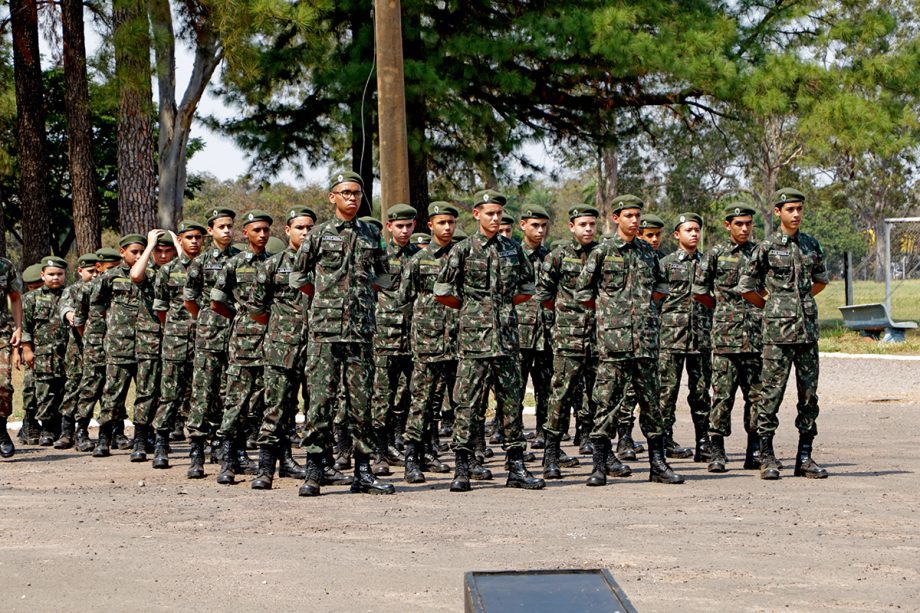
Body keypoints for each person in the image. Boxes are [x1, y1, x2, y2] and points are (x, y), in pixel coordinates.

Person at [291, 171, 394, 496]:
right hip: (324, 332)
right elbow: (298, 277)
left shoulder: (371, 233)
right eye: (346, 192)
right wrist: (326, 299)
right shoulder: (319, 234)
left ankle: (363, 471)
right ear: (332, 197)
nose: (352, 198)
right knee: (320, 402)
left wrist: (361, 298)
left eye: (357, 193)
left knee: (361, 403)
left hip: (360, 332)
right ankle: (314, 470)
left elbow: (385, 276)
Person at [434, 190, 544, 492]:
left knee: (511, 402)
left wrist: (504, 306)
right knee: (468, 404)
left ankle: (516, 467)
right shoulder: (464, 250)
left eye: (498, 214)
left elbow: (527, 287)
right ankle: (463, 467)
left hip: (507, 337)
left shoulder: (512, 249)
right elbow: (442, 290)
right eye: (490, 213)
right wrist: (472, 310)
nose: (495, 219)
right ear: (477, 214)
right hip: (474, 341)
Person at [575, 194, 683, 485]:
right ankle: (599, 465)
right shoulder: (603, 251)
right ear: (616, 218)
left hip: (646, 342)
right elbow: (583, 292)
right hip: (613, 344)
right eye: (629, 216)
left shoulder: (648, 252)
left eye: (637, 216)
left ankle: (657, 464)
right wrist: (608, 315)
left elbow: (661, 286)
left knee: (651, 404)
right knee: (606, 402)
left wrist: (646, 309)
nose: (634, 221)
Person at [738, 188, 829, 480]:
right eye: (790, 209)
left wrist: (798, 300)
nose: (797, 214)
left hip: (807, 334)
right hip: (777, 335)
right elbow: (746, 286)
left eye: (800, 209)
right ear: (778, 212)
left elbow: (820, 280)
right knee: (770, 395)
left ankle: (804, 457)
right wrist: (772, 306)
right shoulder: (765, 247)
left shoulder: (811, 244)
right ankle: (767, 456)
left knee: (809, 397)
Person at [538, 206, 629, 480]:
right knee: (561, 395)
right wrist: (564, 320)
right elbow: (544, 293)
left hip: (602, 337)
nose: (588, 229)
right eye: (582, 224)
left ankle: (604, 452)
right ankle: (551, 454)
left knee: (603, 397)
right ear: (571, 227)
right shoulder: (559, 256)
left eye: (592, 224)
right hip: (569, 337)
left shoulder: (608, 254)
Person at [248, 207, 321, 490]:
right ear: (287, 231)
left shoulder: (324, 265)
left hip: (318, 349)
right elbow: (256, 307)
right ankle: (265, 469)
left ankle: (317, 469)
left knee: (317, 411)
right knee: (276, 409)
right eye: (300, 228)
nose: (305, 233)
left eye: (310, 228)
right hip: (282, 348)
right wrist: (281, 327)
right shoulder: (273, 265)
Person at [693, 204, 764, 472]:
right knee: (722, 396)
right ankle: (717, 452)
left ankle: (754, 451)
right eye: (738, 224)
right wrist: (723, 308)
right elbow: (699, 291)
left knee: (756, 396)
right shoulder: (715, 254)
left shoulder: (760, 253)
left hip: (756, 337)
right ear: (727, 225)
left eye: (748, 224)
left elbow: (768, 286)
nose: (744, 229)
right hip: (724, 337)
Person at [398, 201, 460, 483]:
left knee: (453, 402)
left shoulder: (463, 256)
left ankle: (446, 455)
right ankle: (412, 458)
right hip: (427, 341)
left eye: (451, 223)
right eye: (441, 223)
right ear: (430, 226)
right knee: (421, 401)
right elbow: (404, 298)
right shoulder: (418, 260)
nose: (447, 228)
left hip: (459, 341)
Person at [212, 210, 274, 485]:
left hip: (273, 342)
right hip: (243, 345)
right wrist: (242, 317)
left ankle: (261, 462)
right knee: (235, 402)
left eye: (266, 230)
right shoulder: (234, 264)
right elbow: (216, 302)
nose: (262, 235)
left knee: (265, 403)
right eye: (256, 230)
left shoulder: (277, 262)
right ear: (245, 233)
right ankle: (227, 461)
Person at [184, 209, 240, 469]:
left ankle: (225, 447)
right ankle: (197, 451)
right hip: (208, 335)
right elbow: (189, 299)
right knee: (203, 393)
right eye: (221, 226)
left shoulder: (242, 258)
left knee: (230, 393)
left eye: (229, 226)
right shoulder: (200, 262)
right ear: (211, 231)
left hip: (237, 335)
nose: (226, 230)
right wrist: (207, 318)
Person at [657, 212, 714, 463]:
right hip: (670, 338)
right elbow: (655, 300)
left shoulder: (708, 262)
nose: (694, 234)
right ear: (677, 235)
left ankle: (704, 442)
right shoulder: (666, 263)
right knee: (666, 393)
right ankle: (664, 440)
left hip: (700, 337)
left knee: (701, 392)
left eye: (696, 230)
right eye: (688, 229)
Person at [150, 221, 206, 468]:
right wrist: (174, 328)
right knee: (169, 394)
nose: (194, 241)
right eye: (189, 237)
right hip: (175, 339)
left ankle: (198, 448)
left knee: (202, 394)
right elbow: (161, 308)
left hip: (206, 338)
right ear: (180, 241)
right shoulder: (168, 270)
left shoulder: (212, 267)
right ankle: (161, 444)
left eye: (198, 237)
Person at [370, 203, 419, 476]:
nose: (404, 230)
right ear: (388, 227)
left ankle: (400, 445)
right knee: (382, 395)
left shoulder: (420, 256)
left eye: (408, 226)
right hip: (384, 335)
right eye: (399, 226)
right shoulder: (379, 256)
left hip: (414, 336)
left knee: (407, 394)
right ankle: (380, 451)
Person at [91, 234, 149, 457]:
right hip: (118, 345)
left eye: (141, 252)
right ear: (122, 252)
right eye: (134, 251)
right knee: (112, 394)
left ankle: (141, 441)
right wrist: (102, 334)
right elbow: (97, 305)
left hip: (146, 344)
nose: (138, 256)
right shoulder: (111, 277)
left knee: (145, 394)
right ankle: (104, 438)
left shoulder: (151, 275)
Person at [614, 213, 665, 460]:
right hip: (620, 335)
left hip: (649, 335)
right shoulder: (613, 252)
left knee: (651, 394)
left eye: (657, 235)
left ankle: (659, 452)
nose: (654, 240)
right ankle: (623, 438)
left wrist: (645, 309)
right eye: (649, 235)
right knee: (623, 391)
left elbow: (659, 290)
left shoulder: (654, 258)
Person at [126, 230, 176, 464]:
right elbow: (135, 274)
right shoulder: (149, 272)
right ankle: (139, 439)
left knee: (168, 392)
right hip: (149, 339)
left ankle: (160, 441)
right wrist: (149, 245)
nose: (164, 256)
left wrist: (178, 242)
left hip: (176, 338)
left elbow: (193, 265)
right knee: (146, 391)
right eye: (160, 251)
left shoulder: (178, 271)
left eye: (169, 252)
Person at [70, 248, 121, 452]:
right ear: (99, 267)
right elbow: (80, 320)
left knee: (114, 388)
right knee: (90, 388)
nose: (113, 273)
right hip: (95, 344)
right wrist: (91, 341)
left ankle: (114, 432)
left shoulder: (121, 287)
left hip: (117, 344)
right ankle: (81, 430)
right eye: (109, 268)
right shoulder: (87, 289)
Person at [516, 205, 553, 451]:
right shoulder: (513, 255)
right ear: (523, 225)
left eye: (543, 226)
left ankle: (543, 432)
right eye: (535, 226)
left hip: (547, 332)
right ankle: (515, 437)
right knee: (515, 389)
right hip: (519, 333)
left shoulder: (551, 256)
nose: (540, 231)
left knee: (546, 388)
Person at [53, 253, 99, 449]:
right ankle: (66, 431)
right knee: (73, 387)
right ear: (80, 271)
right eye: (91, 271)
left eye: (98, 271)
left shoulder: (104, 287)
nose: (95, 275)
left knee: (93, 388)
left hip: (100, 347)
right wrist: (72, 316)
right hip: (78, 349)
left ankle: (83, 431)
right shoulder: (72, 290)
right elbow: (65, 309)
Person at [21, 257, 68, 447]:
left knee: (64, 390)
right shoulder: (32, 298)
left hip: (67, 354)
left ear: (66, 275)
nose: (55, 278)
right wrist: (26, 349)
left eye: (59, 274)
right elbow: (25, 327)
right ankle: (46, 429)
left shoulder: (71, 294)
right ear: (43, 275)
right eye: (51, 274)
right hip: (42, 355)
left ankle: (62, 429)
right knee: (44, 392)